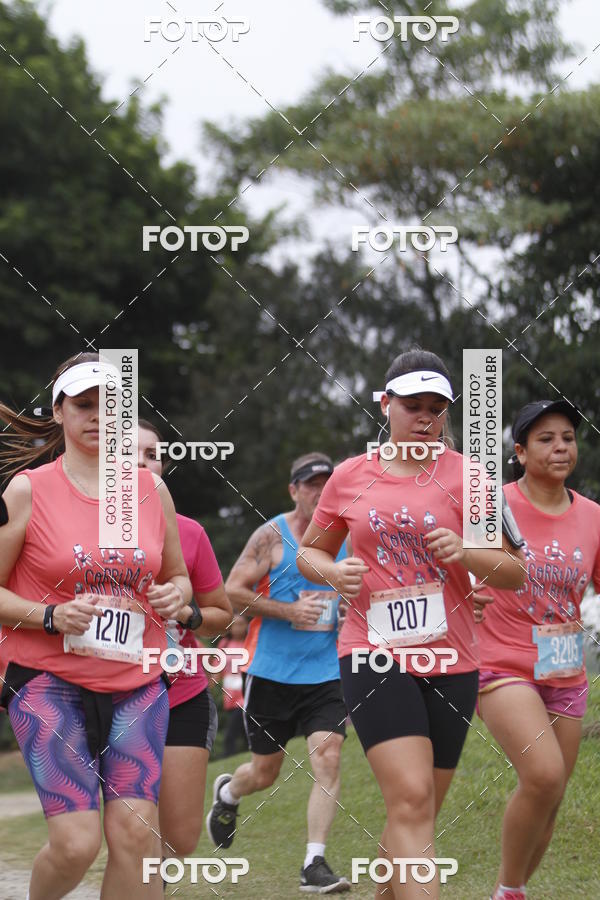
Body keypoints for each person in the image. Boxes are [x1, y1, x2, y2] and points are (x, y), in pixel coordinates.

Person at [297, 349, 526, 900]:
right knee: (411, 800)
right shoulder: (351, 477)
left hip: (454, 660)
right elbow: (309, 554)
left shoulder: (471, 477)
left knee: (420, 809)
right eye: (411, 405)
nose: (424, 417)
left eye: (435, 407)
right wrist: (336, 571)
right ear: (386, 405)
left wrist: (468, 554)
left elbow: (515, 572)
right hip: (373, 654)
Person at [0, 353, 191, 900]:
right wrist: (51, 616)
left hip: (137, 680)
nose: (99, 417)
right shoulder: (26, 491)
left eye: (110, 406)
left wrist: (172, 594)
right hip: (47, 678)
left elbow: (178, 578)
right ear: (59, 411)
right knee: (77, 844)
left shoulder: (152, 492)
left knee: (135, 836)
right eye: (84, 405)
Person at [206, 452, 351, 894]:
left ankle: (314, 863)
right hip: (272, 674)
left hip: (327, 672)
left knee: (327, 758)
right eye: (311, 484)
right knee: (265, 774)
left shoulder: (351, 539)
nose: (320, 491)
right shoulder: (271, 535)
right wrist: (288, 611)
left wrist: (349, 610)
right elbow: (232, 591)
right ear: (294, 490)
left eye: (328, 483)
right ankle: (230, 794)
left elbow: (368, 590)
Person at [477, 400, 600, 900]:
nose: (561, 447)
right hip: (503, 660)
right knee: (544, 774)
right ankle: (509, 889)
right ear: (520, 452)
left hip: (565, 664)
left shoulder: (593, 515)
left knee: (550, 797)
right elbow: (462, 564)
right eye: (546, 439)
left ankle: (512, 890)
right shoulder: (493, 503)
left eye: (568, 437)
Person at [137, 420, 233, 857]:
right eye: (129, 452)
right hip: (109, 693)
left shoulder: (190, 532)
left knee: (178, 839)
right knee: (133, 834)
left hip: (182, 693)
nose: (142, 462)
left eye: (152, 453)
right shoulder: (79, 531)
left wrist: (188, 613)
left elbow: (222, 617)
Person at [216, 615, 249, 758]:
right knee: (245, 731)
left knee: (232, 732)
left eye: (241, 624)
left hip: (246, 695)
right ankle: (252, 755)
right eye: (234, 624)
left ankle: (227, 755)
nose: (237, 628)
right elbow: (216, 669)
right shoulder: (224, 644)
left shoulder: (250, 642)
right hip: (230, 696)